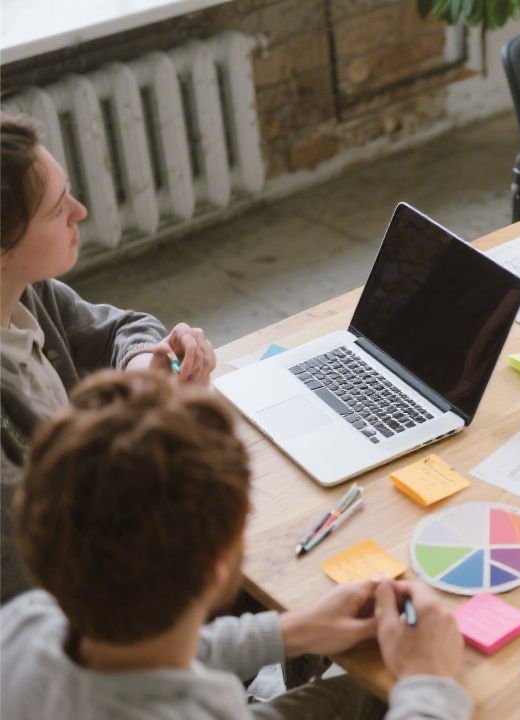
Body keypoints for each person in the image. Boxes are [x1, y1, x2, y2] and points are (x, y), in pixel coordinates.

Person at [0, 370, 471, 719]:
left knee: (361, 693)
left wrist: (292, 631)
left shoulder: (25, 622)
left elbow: (142, 651)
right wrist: (430, 682)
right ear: (221, 567)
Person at [0, 110, 217, 602]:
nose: (80, 211)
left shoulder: (26, 297)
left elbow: (120, 327)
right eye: (57, 210)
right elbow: (55, 552)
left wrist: (143, 366)